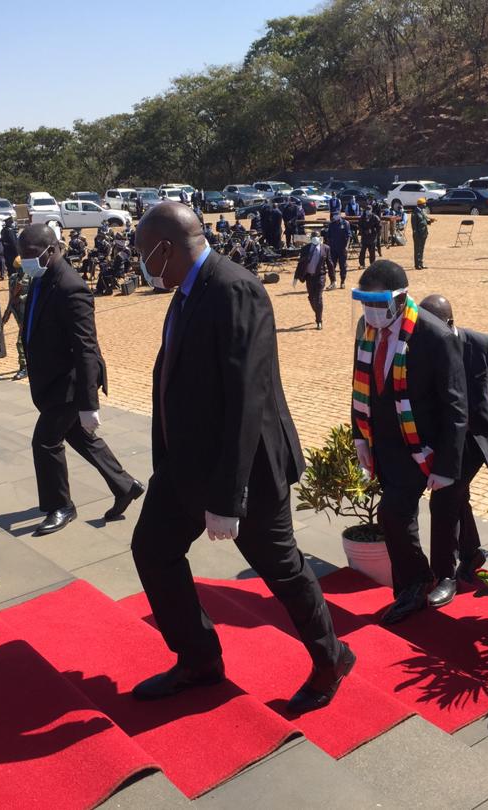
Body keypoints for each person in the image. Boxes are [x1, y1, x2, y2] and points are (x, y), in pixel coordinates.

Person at [130, 203, 353, 714]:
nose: (142, 264)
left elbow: (247, 398)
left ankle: (331, 657)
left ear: (166, 248)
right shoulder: (185, 290)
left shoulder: (235, 289)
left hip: (245, 469)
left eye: (144, 254)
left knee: (281, 568)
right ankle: (199, 658)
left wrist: (229, 498)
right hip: (185, 466)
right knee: (153, 550)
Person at [351, 260, 468, 622]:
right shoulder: (367, 329)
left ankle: (418, 581)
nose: (370, 311)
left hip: (421, 447)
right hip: (384, 443)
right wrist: (360, 437)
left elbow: (455, 406)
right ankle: (406, 590)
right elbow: (360, 384)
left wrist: (446, 467)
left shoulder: (434, 336)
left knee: (392, 513)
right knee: (398, 519)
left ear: (400, 299)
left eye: (377, 303)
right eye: (364, 302)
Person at [18, 224, 143, 536]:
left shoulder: (71, 287)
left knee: (45, 442)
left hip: (70, 383)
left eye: (31, 255)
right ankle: (124, 485)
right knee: (78, 436)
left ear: (51, 250)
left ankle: (60, 506)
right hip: (53, 379)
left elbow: (86, 348)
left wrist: (89, 404)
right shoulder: (42, 277)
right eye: (22, 255)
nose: (26, 261)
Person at [419, 295, 488, 586]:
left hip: (477, 436)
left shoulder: (482, 344)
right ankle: (472, 553)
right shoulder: (422, 346)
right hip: (445, 437)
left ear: (449, 322)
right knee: (458, 496)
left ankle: (444, 575)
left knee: (443, 500)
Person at [294, 234, 332, 329]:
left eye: (317, 236)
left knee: (318, 298)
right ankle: (318, 312)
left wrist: (333, 280)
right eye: (313, 237)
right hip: (309, 277)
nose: (315, 238)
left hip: (320, 276)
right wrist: (296, 277)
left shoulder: (326, 248)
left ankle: (319, 321)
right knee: (311, 298)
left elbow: (330, 264)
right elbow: (301, 264)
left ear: (320, 238)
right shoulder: (305, 249)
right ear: (310, 239)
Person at [2, 256, 29, 381]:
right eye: (17, 269)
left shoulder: (31, 278)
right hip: (18, 313)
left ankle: (24, 367)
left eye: (21, 269)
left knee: (20, 342)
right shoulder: (13, 278)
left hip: (29, 314)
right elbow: (11, 298)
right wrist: (6, 315)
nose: (19, 271)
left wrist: (22, 297)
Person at [326, 213, 351, 289]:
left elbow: (348, 236)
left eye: (336, 215)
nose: (334, 216)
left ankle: (342, 282)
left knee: (343, 266)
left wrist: (346, 247)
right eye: (333, 215)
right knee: (331, 266)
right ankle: (333, 282)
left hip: (342, 248)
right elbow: (328, 237)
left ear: (339, 215)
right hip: (333, 249)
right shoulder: (331, 224)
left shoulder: (345, 223)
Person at [411, 198, 433, 270]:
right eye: (424, 204)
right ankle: (417, 265)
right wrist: (416, 234)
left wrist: (429, 221)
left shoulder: (422, 211)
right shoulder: (415, 213)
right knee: (417, 250)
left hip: (424, 233)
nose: (425, 205)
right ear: (420, 204)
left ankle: (421, 263)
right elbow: (414, 225)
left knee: (421, 249)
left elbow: (424, 221)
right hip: (418, 234)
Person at [358, 203, 381, 269]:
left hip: (372, 238)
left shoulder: (375, 217)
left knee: (372, 252)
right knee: (362, 252)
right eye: (366, 210)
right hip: (364, 238)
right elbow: (359, 226)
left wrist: (374, 231)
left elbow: (379, 227)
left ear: (371, 210)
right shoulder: (362, 217)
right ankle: (362, 264)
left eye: (369, 210)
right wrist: (363, 231)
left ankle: (372, 265)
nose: (368, 211)